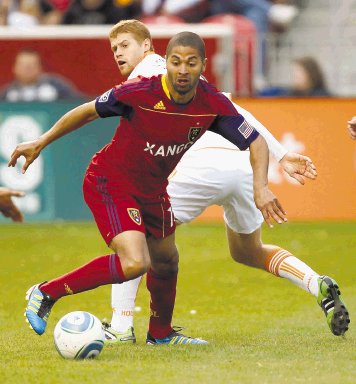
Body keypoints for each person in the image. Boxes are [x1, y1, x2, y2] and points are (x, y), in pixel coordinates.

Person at [9, 31, 284, 345]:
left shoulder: (211, 103)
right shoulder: (138, 92)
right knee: (135, 262)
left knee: (167, 260)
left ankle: (161, 335)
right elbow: (86, 111)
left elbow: (255, 141)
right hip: (111, 181)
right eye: (176, 62)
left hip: (153, 190)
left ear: (203, 65)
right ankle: (45, 292)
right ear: (165, 62)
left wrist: (260, 187)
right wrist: (41, 141)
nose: (183, 70)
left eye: (191, 63)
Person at [99, 20, 349, 344]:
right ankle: (316, 283)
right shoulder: (189, 75)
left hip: (200, 164)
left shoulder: (149, 72)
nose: (119, 53)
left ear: (146, 46)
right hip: (239, 162)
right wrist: (281, 154)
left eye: (125, 45)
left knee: (138, 238)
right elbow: (236, 111)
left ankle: (120, 327)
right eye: (114, 49)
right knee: (247, 250)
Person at [0, 49, 84, 102]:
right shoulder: (7, 93)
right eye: (23, 66)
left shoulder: (57, 86)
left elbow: (77, 104)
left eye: (31, 66)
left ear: (40, 68)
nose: (27, 69)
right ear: (14, 68)